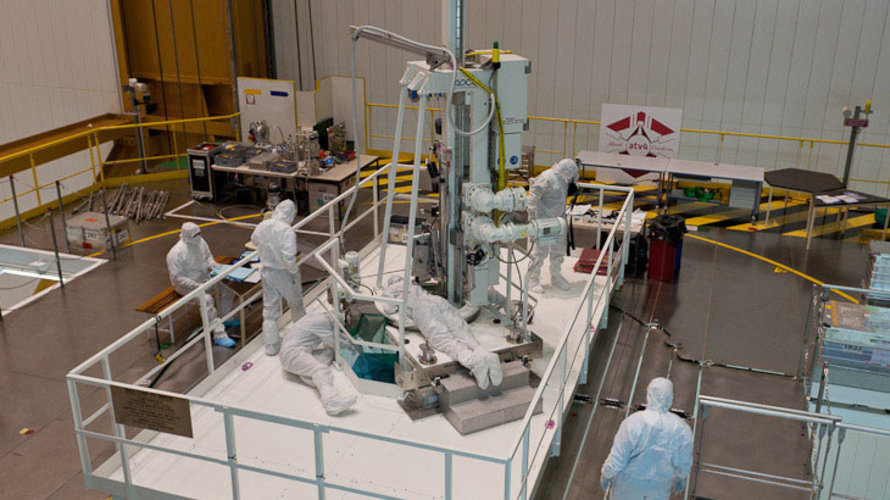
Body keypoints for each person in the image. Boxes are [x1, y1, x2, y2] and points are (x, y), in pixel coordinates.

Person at [382, 276, 503, 390]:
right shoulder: (411, 284)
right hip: (438, 301)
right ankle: (483, 352)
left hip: (422, 308)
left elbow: (389, 308)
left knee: (444, 340)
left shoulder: (390, 289)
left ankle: (473, 362)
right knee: (461, 330)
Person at [600, 377, 694, 499]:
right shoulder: (681, 428)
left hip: (628, 484)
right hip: (659, 487)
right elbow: (685, 458)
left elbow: (618, 456)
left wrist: (607, 473)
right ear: (671, 398)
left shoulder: (633, 423)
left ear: (649, 395)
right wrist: (682, 476)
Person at [166, 222, 235, 348]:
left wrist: (212, 264)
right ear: (186, 236)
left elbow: (208, 256)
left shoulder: (200, 242)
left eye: (199, 233)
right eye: (195, 235)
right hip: (185, 286)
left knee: (228, 289)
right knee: (207, 300)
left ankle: (226, 318)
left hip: (203, 279)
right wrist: (196, 286)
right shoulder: (176, 253)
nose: (198, 236)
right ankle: (219, 334)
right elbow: (178, 278)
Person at [251, 199, 306, 356]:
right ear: (290, 214)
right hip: (284, 273)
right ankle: (301, 339)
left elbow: (254, 240)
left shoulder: (263, 225)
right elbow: (289, 257)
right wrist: (294, 273)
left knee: (270, 308)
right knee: (296, 304)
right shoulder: (287, 231)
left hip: (266, 271)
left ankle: (271, 345)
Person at [279, 312, 358, 416]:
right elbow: (336, 342)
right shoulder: (323, 323)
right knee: (320, 370)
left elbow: (336, 336)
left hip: (293, 351)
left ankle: (310, 375)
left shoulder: (322, 318)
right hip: (291, 354)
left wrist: (348, 342)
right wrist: (354, 348)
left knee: (328, 353)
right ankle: (331, 402)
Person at [527, 158, 579, 293]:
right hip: (545, 221)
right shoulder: (546, 177)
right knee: (540, 252)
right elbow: (532, 200)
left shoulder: (562, 179)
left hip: (559, 220)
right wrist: (531, 221)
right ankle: (532, 279)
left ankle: (556, 276)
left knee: (558, 250)